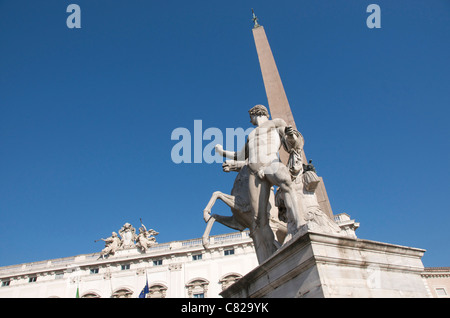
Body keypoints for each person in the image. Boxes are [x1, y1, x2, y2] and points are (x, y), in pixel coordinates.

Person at [215, 105, 304, 263]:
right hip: (254, 173)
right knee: (258, 219)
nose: (251, 120)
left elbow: (291, 142)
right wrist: (222, 152)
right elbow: (240, 155)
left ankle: (298, 224)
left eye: (251, 117)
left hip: (271, 163)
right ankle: (268, 255)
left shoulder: (276, 123)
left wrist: (292, 136)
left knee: (285, 182)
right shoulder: (251, 134)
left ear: (255, 114)